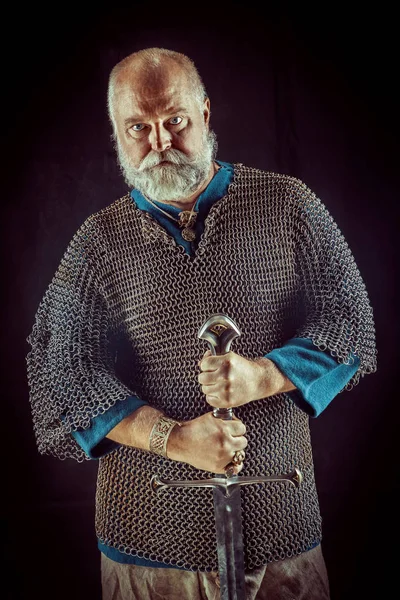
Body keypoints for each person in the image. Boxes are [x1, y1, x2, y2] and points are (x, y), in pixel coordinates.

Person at [26, 47, 377, 600]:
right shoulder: (98, 243)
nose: (160, 143)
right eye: (138, 127)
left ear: (206, 114)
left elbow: (350, 323)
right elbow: (63, 377)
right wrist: (175, 439)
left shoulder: (286, 205)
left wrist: (265, 375)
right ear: (116, 131)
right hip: (149, 541)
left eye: (175, 121)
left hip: (280, 530)